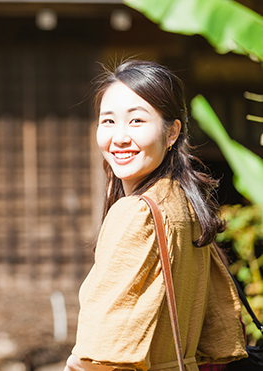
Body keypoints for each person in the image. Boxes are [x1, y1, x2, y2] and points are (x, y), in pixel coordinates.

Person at [65, 60, 248, 371]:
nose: (119, 137)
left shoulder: (137, 212)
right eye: (107, 121)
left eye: (136, 121)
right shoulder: (184, 202)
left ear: (172, 131)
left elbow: (102, 349)